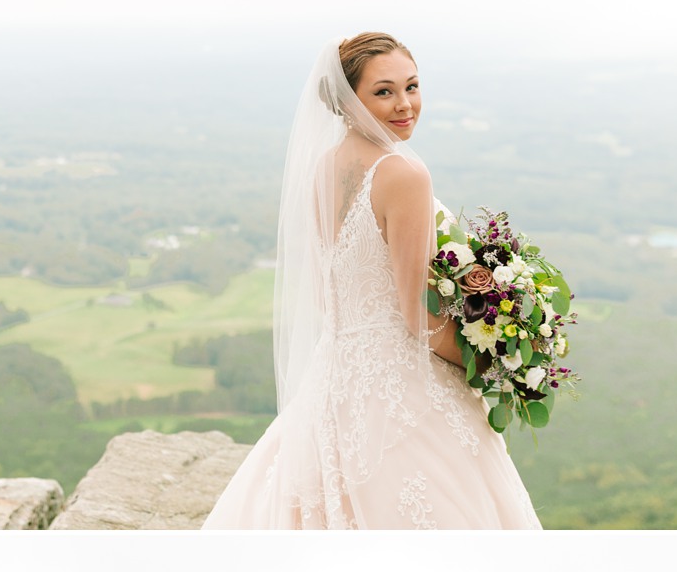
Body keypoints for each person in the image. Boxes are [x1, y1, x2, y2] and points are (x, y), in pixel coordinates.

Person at [202, 33, 542, 530]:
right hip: (402, 382)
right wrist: (492, 361)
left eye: (412, 86)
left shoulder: (323, 168)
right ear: (348, 101)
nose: (405, 104)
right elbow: (417, 317)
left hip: (336, 375)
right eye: (384, 92)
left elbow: (332, 292)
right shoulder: (404, 172)